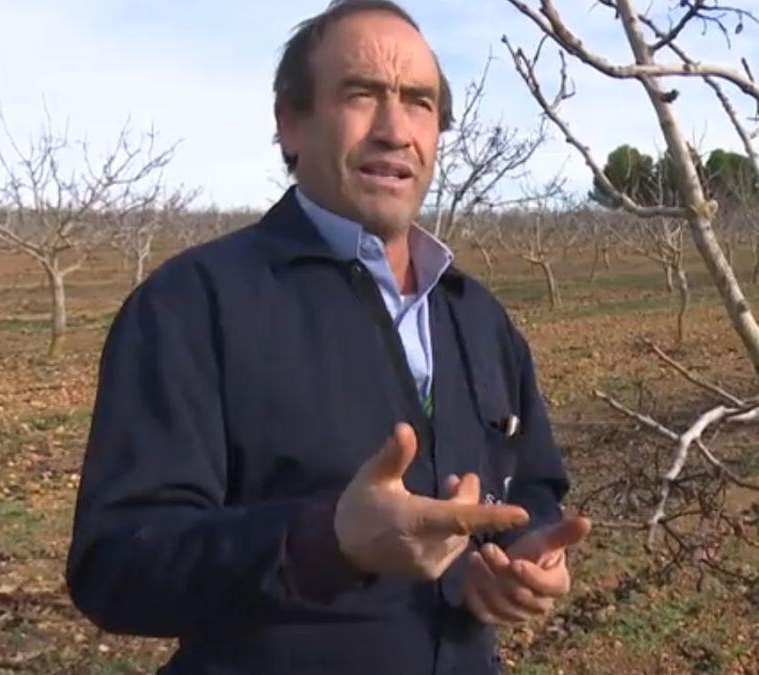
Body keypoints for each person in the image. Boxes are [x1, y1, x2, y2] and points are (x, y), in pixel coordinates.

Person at [64, 1, 591, 673]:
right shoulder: (192, 305)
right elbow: (117, 562)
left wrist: (526, 552)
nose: (395, 129)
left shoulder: (477, 316)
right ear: (292, 123)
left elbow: (533, 483)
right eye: (360, 94)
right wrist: (327, 541)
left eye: (419, 102)